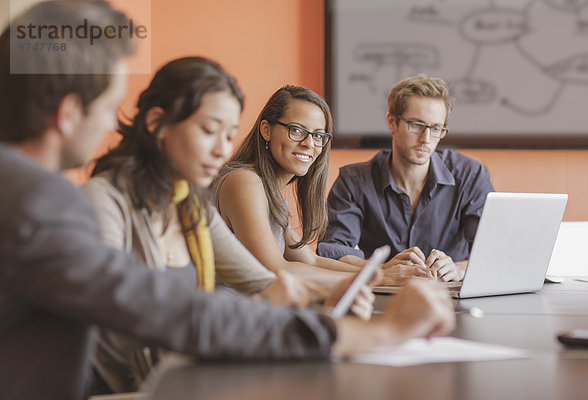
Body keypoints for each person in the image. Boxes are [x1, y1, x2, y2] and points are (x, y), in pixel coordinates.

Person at [0, 3, 455, 400]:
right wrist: (376, 332)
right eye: (108, 105)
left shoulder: (183, 204)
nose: (112, 122)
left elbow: (266, 281)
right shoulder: (45, 202)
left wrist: (329, 292)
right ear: (68, 113)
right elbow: (162, 311)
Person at [82, 56, 374, 393]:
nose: (222, 150)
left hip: (180, 375)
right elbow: (119, 305)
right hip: (123, 388)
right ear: (156, 123)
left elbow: (265, 282)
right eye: (209, 131)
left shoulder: (191, 206)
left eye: (229, 135)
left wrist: (327, 295)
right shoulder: (103, 199)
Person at [212, 85, 428, 291]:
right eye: (297, 130)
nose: (309, 144)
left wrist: (382, 269)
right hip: (226, 319)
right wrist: (378, 279)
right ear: (266, 130)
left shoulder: (271, 193)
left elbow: (310, 259)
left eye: (318, 136)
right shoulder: (243, 182)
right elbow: (277, 270)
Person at [317, 74, 495, 282]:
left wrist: (460, 268)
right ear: (392, 122)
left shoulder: (471, 176)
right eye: (416, 125)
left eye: (436, 128)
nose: (425, 139)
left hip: (450, 296)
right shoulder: (353, 181)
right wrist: (383, 269)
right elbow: (333, 250)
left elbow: (491, 252)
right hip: (383, 296)